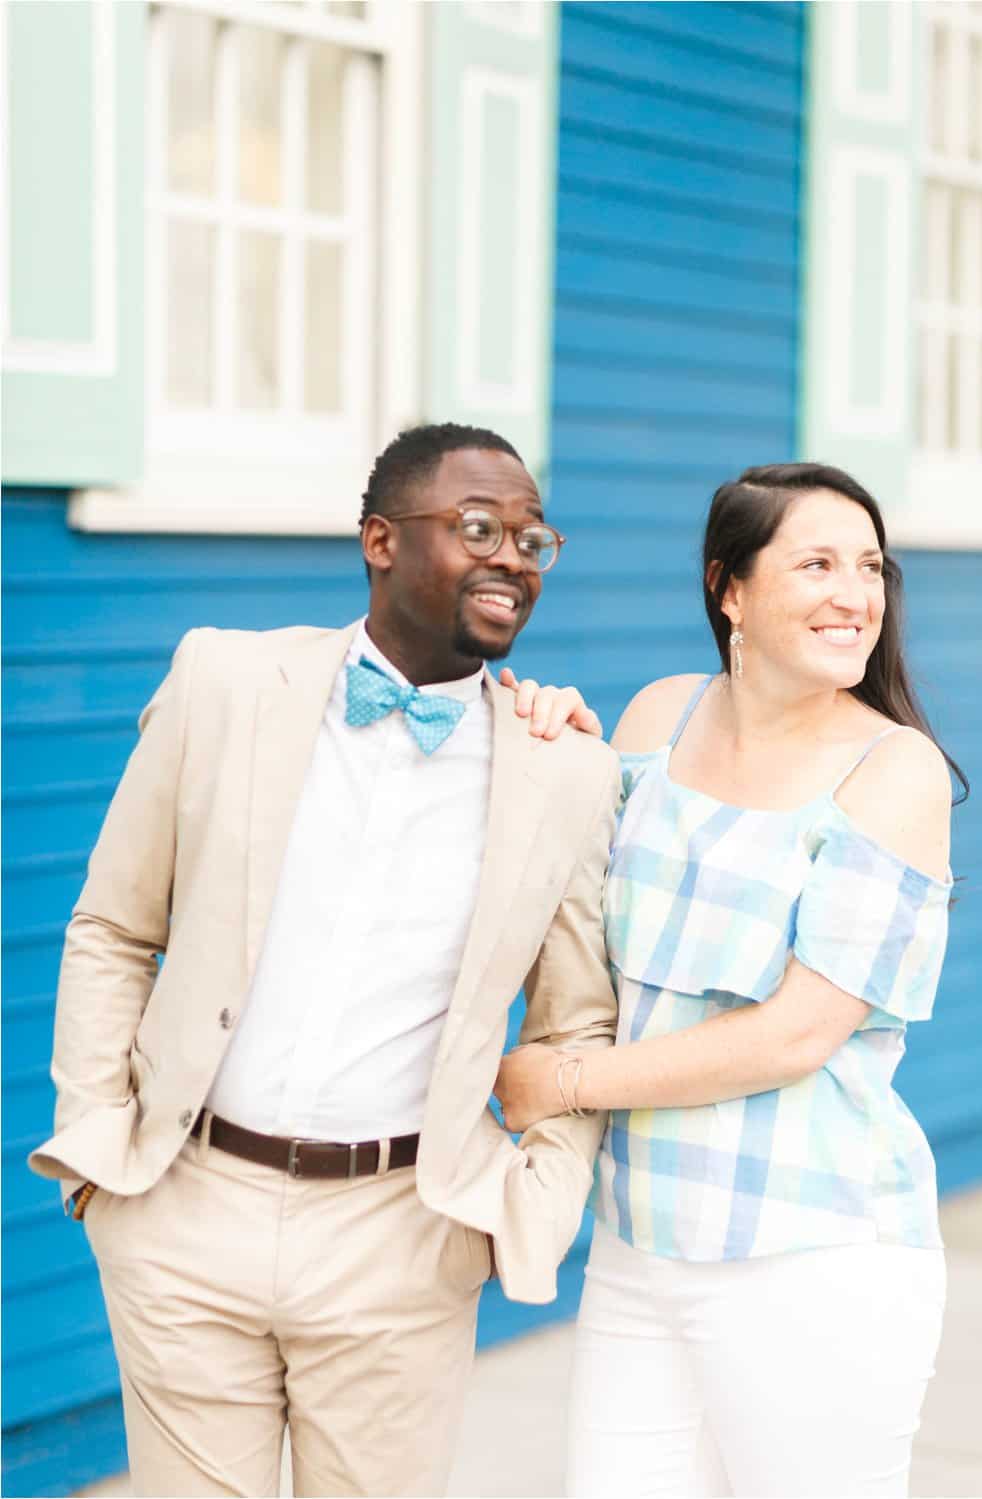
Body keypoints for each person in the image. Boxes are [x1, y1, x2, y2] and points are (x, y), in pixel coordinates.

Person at [29, 422, 619, 1499]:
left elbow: (575, 1021)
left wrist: (529, 1197)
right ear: (380, 540)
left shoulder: (567, 771)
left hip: (402, 1233)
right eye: (479, 527)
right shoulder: (222, 679)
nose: (511, 558)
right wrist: (98, 1153)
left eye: (533, 540)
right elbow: (114, 926)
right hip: (183, 1207)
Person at [495, 463, 965, 1499]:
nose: (855, 593)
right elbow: (567, 897)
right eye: (816, 563)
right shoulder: (658, 721)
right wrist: (550, 745)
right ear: (730, 588)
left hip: (814, 1251)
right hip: (638, 1239)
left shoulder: (892, 772)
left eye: (869, 567)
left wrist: (561, 1082)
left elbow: (794, 1033)